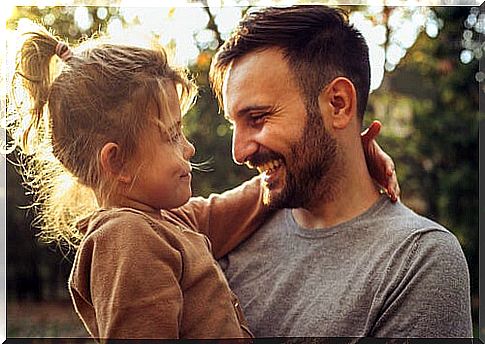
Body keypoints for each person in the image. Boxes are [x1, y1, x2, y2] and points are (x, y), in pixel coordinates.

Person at [8, 22, 396, 339]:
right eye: (172, 135)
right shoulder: (127, 239)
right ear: (118, 162)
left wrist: (341, 157)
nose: (189, 148)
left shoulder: (166, 221)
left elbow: (244, 204)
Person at [210, 5, 472, 338]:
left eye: (258, 118)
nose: (239, 152)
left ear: (338, 104)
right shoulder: (227, 232)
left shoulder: (416, 261)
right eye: (234, 125)